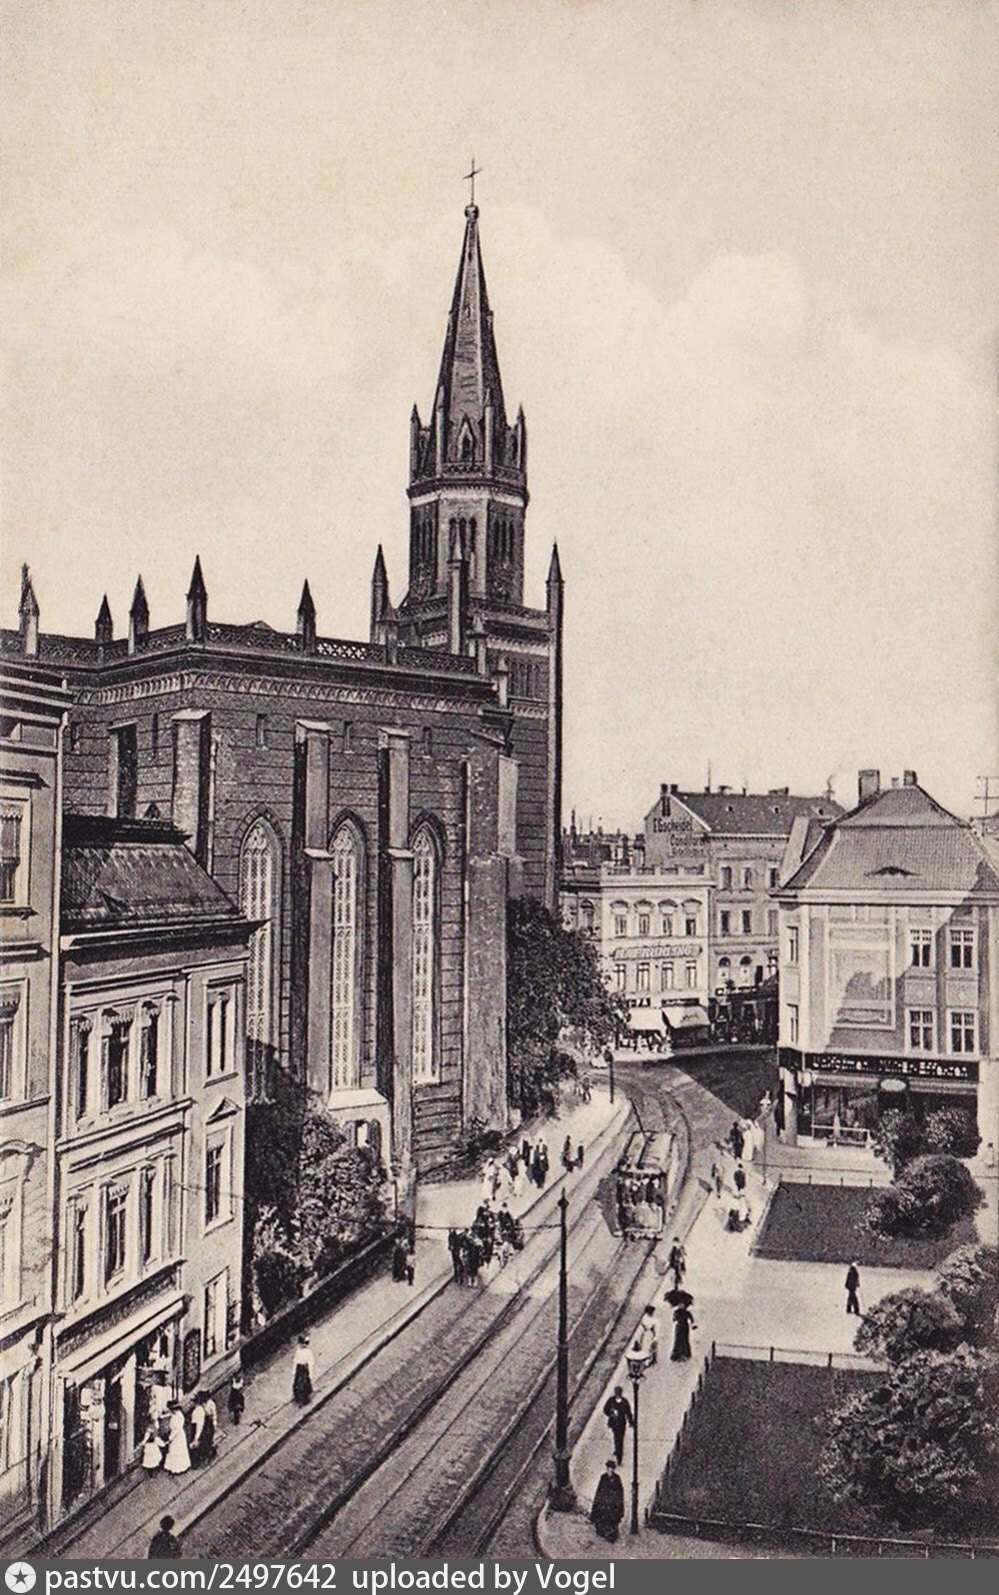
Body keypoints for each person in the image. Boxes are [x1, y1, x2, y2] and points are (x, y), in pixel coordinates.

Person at [590, 1459, 625, 1543]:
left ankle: (611, 1534)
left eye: (611, 1469)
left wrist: (619, 1504)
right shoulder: (603, 1477)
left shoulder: (617, 1478)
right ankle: (602, 1532)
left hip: (613, 1504)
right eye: (608, 1468)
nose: (610, 1470)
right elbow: (599, 1490)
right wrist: (597, 1502)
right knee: (603, 1517)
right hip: (604, 1503)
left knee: (612, 1519)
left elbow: (620, 1492)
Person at [603, 1387, 634, 1466]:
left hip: (621, 1423)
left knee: (620, 1439)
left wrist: (631, 1422)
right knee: (616, 1438)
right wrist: (611, 1413)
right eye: (616, 1393)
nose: (617, 1394)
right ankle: (617, 1450)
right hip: (613, 1423)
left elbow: (628, 1412)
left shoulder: (624, 1401)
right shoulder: (611, 1401)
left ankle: (619, 1456)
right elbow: (605, 1410)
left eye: (619, 1393)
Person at [162, 1403, 191, 1475]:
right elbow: (170, 1414)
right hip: (180, 1435)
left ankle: (177, 1468)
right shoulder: (178, 1414)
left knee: (176, 1451)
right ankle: (182, 1466)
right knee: (181, 1451)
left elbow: (175, 1430)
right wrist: (162, 1416)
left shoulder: (176, 1418)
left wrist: (170, 1439)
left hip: (176, 1436)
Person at [292, 1335, 314, 1405]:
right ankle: (298, 1397)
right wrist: (294, 1371)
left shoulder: (307, 1352)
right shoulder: (298, 1351)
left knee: (303, 1383)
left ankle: (305, 1398)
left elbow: (310, 1363)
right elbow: (295, 1361)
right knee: (298, 1383)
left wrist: (310, 1372)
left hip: (304, 1368)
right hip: (299, 1368)